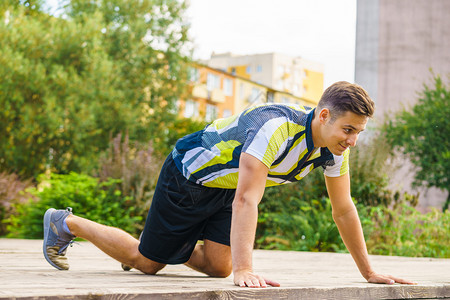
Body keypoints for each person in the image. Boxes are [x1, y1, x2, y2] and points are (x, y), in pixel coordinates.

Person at [43, 81, 415, 288]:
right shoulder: (274, 128)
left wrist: (368, 272)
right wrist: (246, 269)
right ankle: (65, 222)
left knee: (219, 267)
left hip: (228, 186)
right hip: (190, 176)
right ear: (323, 115)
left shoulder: (335, 149)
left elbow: (344, 209)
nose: (352, 140)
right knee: (148, 262)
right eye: (348, 130)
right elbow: (246, 202)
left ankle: (171, 244)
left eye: (359, 133)